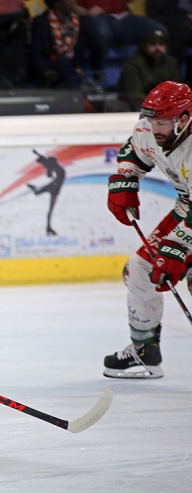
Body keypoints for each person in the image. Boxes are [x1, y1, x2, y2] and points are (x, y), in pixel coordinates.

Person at [104, 80, 192, 379]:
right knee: (141, 268)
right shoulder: (150, 129)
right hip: (186, 209)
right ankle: (144, 353)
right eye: (151, 121)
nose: (154, 129)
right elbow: (135, 150)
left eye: (163, 123)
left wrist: (179, 247)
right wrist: (125, 178)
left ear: (184, 119)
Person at [53, 0, 167, 86]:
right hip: (93, 18)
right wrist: (85, 12)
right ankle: (99, 76)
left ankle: (151, 77)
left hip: (124, 17)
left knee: (158, 30)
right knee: (101, 32)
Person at [31, 0, 84, 89]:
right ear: (58, 3)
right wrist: (44, 71)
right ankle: (77, 92)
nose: (73, 2)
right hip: (48, 62)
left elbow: (79, 50)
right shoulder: (41, 22)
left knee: (66, 64)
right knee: (64, 64)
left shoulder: (76, 22)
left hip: (69, 63)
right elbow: (36, 50)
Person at [147, 0, 192, 82]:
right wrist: (186, 14)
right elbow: (159, 3)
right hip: (169, 15)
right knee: (184, 28)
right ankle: (173, 79)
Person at [118, 30, 182, 111]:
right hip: (141, 110)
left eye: (161, 44)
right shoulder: (133, 65)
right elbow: (135, 97)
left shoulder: (171, 63)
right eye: (152, 44)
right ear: (144, 46)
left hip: (168, 109)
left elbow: (177, 91)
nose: (158, 48)